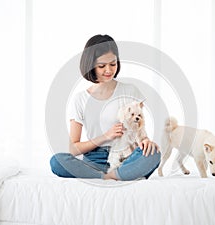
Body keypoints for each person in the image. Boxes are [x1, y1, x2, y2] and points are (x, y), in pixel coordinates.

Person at [50, 34, 161, 180]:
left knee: (154, 153)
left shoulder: (131, 91)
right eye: (101, 66)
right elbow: (73, 148)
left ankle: (111, 175)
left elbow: (140, 130)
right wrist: (105, 137)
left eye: (113, 64)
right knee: (57, 161)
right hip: (94, 160)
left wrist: (146, 141)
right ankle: (112, 176)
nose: (108, 70)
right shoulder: (80, 99)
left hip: (126, 157)